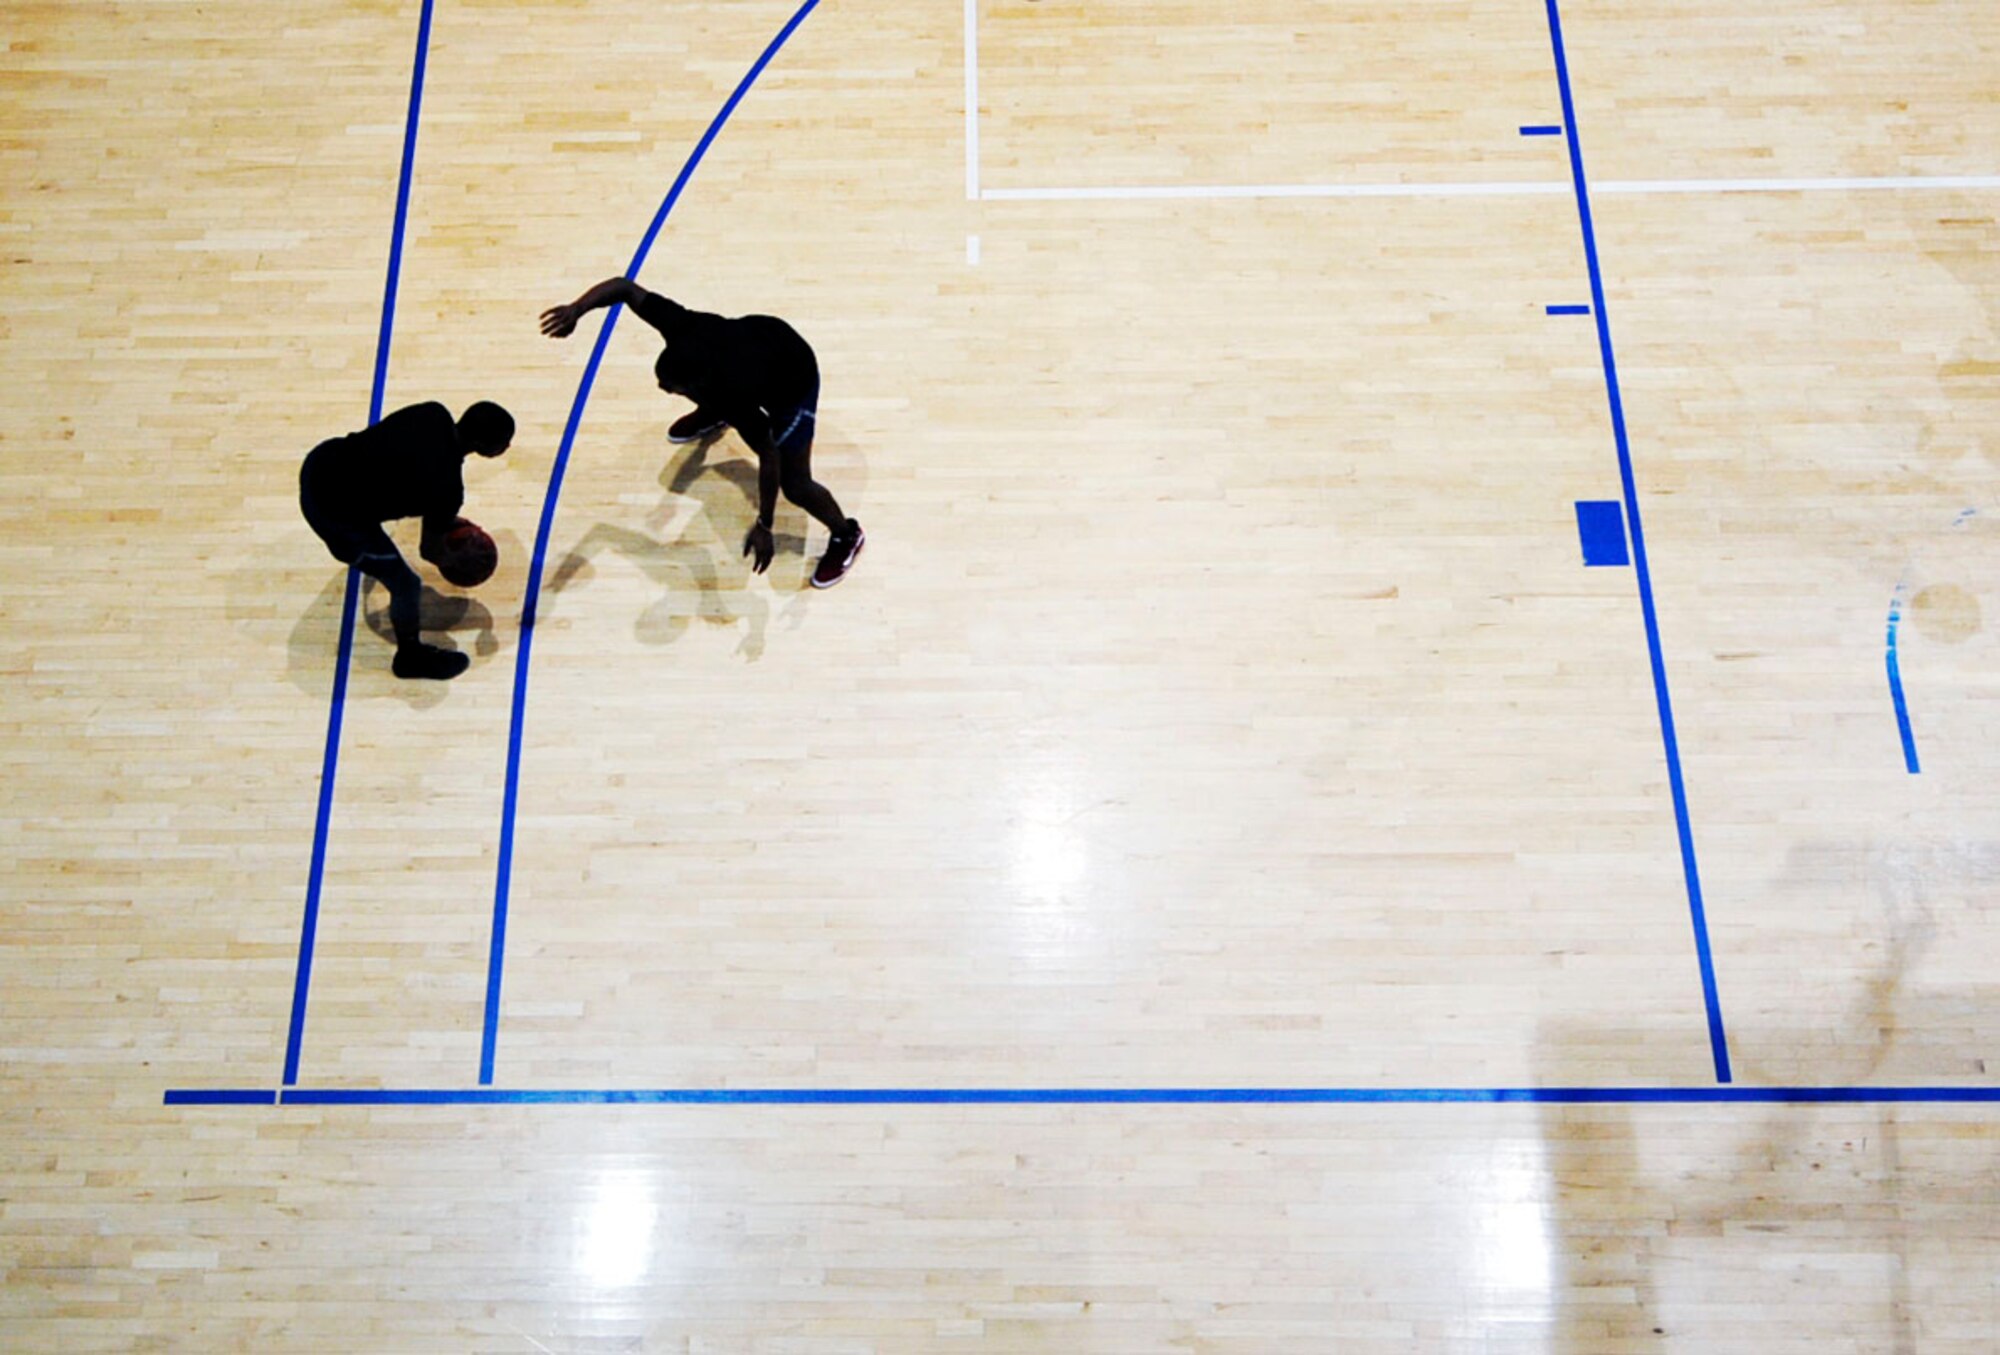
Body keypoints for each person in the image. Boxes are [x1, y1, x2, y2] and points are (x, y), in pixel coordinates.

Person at [539, 278, 864, 588]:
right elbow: (624, 287)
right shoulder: (681, 325)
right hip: (765, 337)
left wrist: (765, 524)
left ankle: (847, 535)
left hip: (794, 381)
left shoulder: (734, 393)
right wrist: (576, 310)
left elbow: (768, 454)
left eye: (674, 388)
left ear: (701, 385)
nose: (662, 388)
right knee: (713, 393)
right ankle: (710, 414)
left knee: (795, 485)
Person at [298, 400, 515, 680]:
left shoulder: (432, 413)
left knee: (375, 484)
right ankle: (410, 657)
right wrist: (457, 552)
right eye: (503, 442)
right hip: (332, 514)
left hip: (321, 462)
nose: (506, 447)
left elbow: (400, 454)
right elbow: (428, 551)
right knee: (406, 584)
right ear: (482, 445)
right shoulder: (448, 492)